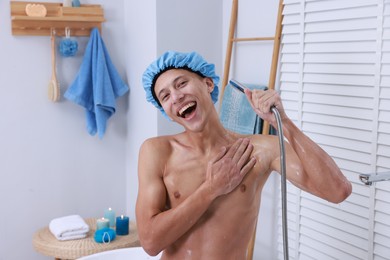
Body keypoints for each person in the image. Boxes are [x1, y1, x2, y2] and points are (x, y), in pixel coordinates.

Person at [136, 51, 352, 259]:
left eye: (182, 83)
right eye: (165, 96)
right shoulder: (157, 152)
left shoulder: (259, 150)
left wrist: (283, 123)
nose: (176, 96)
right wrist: (211, 189)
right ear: (167, 112)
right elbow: (150, 242)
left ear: (208, 84)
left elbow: (337, 191)